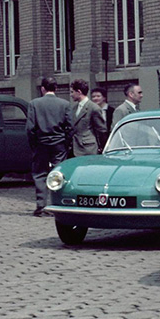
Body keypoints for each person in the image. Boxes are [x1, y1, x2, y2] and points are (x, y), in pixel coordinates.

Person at [27, 78, 73, 216]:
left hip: (41, 142)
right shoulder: (64, 104)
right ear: (56, 88)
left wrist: (34, 144)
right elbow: (70, 126)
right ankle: (58, 203)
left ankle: (41, 205)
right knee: (58, 173)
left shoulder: (34, 104)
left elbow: (30, 128)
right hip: (59, 143)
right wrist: (66, 143)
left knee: (40, 173)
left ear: (42, 89)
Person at [70, 79, 106, 156]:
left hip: (88, 149)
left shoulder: (93, 108)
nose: (71, 95)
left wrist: (102, 148)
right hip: (75, 149)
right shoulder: (74, 108)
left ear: (79, 92)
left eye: (72, 92)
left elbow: (101, 130)